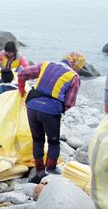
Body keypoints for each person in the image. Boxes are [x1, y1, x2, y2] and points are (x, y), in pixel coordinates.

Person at [18, 52, 85, 182]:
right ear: (76, 64)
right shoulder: (74, 76)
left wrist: (21, 91)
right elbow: (70, 102)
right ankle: (50, 169)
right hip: (50, 111)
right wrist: (60, 109)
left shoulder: (46, 64)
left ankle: (39, 171)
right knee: (53, 142)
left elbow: (22, 74)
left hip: (32, 106)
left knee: (37, 139)